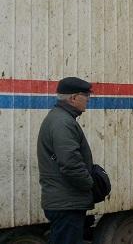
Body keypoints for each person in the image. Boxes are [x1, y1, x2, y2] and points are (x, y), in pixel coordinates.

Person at [37, 77, 94, 244]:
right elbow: (70, 163)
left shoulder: (60, 118)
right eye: (86, 95)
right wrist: (89, 184)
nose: (88, 99)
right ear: (73, 98)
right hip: (66, 203)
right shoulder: (63, 122)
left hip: (64, 201)